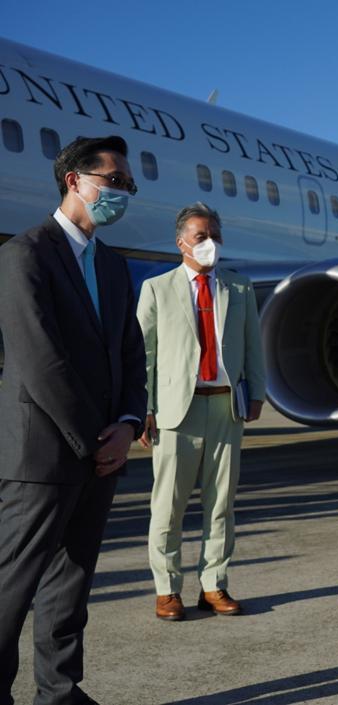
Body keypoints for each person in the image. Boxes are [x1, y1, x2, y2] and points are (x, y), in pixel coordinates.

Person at [0, 135, 147, 705]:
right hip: (41, 454)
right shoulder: (25, 254)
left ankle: (60, 692)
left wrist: (129, 423)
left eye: (128, 185)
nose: (122, 193)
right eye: (115, 181)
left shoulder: (112, 264)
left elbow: (131, 352)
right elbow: (40, 360)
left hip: (102, 451)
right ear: (74, 181)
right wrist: (95, 438)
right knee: (12, 587)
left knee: (71, 583)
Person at [137, 202, 266, 620]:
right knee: (168, 507)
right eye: (201, 236)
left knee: (221, 504)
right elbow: (144, 354)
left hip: (226, 406)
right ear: (181, 243)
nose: (210, 243)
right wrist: (143, 407)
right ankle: (167, 589)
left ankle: (214, 584)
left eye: (215, 235)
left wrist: (257, 392)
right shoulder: (157, 289)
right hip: (177, 412)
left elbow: (253, 345)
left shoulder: (239, 288)